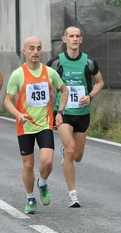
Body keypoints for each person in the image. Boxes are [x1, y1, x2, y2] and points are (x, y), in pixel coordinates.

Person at [4, 36, 68, 214]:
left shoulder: (49, 72)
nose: (35, 52)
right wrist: (18, 114)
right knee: (29, 166)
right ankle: (30, 198)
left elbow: (64, 90)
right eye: (31, 48)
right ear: (24, 51)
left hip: (45, 124)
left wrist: (60, 112)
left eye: (38, 48)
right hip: (25, 125)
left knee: (47, 162)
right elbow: (7, 101)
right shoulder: (18, 74)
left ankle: (43, 183)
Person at [47, 26, 104, 207]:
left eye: (77, 36)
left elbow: (100, 82)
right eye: (71, 36)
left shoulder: (89, 62)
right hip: (63, 113)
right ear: (64, 40)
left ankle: (68, 154)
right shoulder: (56, 63)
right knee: (71, 150)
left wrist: (91, 96)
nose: (74, 39)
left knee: (77, 156)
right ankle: (73, 194)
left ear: (81, 40)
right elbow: (46, 83)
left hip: (82, 113)